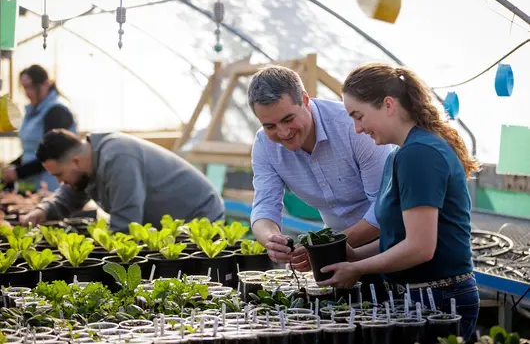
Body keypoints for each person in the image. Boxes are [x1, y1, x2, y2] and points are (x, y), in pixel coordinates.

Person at [317, 63, 479, 341]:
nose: (356, 129)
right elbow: (400, 238)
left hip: (437, 299)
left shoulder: (420, 153)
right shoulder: (399, 155)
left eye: (359, 116)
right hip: (417, 297)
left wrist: (357, 269)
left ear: (388, 105)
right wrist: (356, 255)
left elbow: (420, 247)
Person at [248, 65, 392, 298]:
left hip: (391, 246)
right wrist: (272, 240)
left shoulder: (353, 127)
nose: (283, 133)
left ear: (305, 100)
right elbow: (264, 206)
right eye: (270, 126)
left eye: (288, 119)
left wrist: (324, 247)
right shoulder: (265, 145)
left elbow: (384, 208)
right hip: (339, 256)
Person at [20, 129, 225, 232]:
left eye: (59, 175)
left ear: (75, 161)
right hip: (172, 225)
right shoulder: (87, 163)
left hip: (199, 217)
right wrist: (42, 211)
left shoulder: (117, 158)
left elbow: (125, 225)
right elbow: (69, 195)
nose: (60, 182)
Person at [2, 65, 77, 192]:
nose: (27, 93)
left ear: (46, 84)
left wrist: (19, 172)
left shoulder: (56, 111)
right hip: (34, 185)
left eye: (31, 87)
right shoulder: (32, 112)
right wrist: (12, 166)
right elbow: (31, 151)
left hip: (53, 187)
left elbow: (52, 153)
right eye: (24, 88)